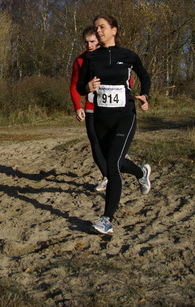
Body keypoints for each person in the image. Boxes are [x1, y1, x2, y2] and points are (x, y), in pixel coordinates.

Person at [76, 14, 152, 235]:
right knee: (114, 162)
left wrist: (145, 95)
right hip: (100, 118)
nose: (98, 31)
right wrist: (88, 86)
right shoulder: (91, 59)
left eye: (102, 27)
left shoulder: (128, 56)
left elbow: (144, 75)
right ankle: (141, 173)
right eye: (96, 28)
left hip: (124, 116)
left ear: (114, 30)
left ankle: (106, 219)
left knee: (112, 164)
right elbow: (80, 86)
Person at [70, 26, 139, 193]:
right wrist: (78, 106)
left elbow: (129, 82)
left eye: (93, 41)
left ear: (100, 39)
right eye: (86, 42)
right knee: (96, 145)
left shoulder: (114, 56)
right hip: (92, 108)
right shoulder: (80, 61)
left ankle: (133, 170)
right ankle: (108, 176)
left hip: (115, 109)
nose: (89, 45)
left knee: (112, 151)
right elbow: (74, 85)